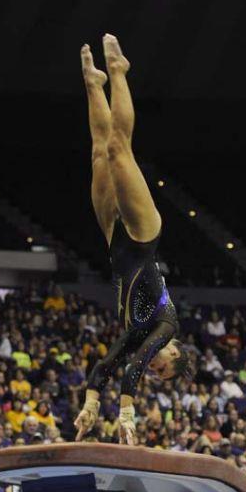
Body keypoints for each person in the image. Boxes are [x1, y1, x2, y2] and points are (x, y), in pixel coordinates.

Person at [74, 34, 190, 446]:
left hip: (113, 241)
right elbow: (132, 369)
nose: (157, 368)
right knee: (120, 149)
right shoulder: (165, 324)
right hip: (142, 237)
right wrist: (127, 413)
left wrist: (89, 404)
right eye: (164, 368)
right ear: (174, 351)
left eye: (159, 373)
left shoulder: (138, 332)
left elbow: (105, 366)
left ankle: (93, 83)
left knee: (99, 153)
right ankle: (119, 72)